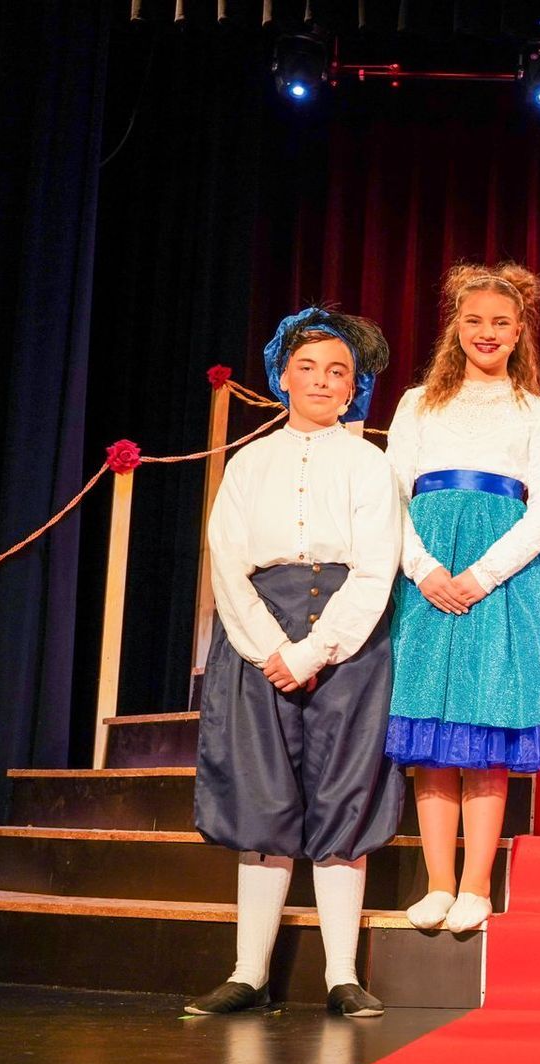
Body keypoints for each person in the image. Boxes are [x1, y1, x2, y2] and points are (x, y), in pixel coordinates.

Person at [187, 307, 401, 1018]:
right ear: (282, 376)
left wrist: (316, 650)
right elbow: (227, 561)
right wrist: (271, 649)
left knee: (345, 795)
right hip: (259, 636)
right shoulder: (250, 463)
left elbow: (376, 567)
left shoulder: (370, 464)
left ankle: (342, 975)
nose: (321, 381)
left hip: (349, 640)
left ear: (354, 386)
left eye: (337, 371)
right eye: (307, 367)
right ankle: (248, 973)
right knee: (263, 796)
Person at [386, 262, 540, 934]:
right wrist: (423, 569)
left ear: (520, 329)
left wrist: (483, 574)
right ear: (456, 326)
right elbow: (390, 496)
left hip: (498, 583)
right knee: (431, 729)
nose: (487, 332)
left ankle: (475, 884)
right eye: (474, 320)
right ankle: (438, 882)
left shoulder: (535, 411)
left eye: (501, 322)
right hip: (428, 574)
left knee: (485, 725)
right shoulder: (418, 403)